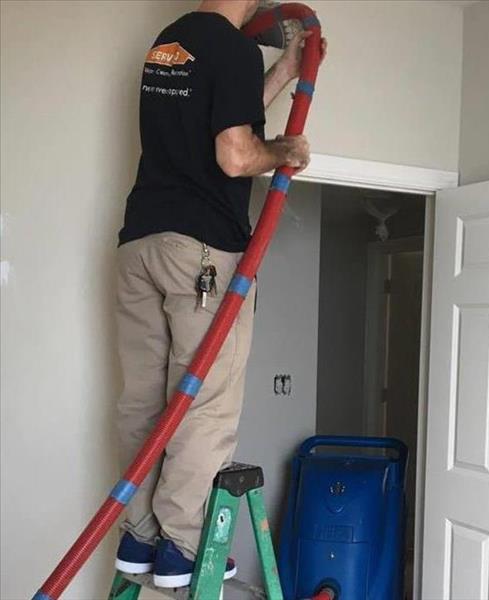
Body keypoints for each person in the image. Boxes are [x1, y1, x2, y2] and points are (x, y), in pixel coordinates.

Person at [113, 0, 326, 588]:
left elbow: (217, 116)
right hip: (201, 252)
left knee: (144, 401)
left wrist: (285, 70)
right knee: (204, 401)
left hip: (140, 245)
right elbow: (234, 155)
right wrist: (286, 151)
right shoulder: (228, 44)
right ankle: (183, 545)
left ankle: (139, 537)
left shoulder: (171, 41)